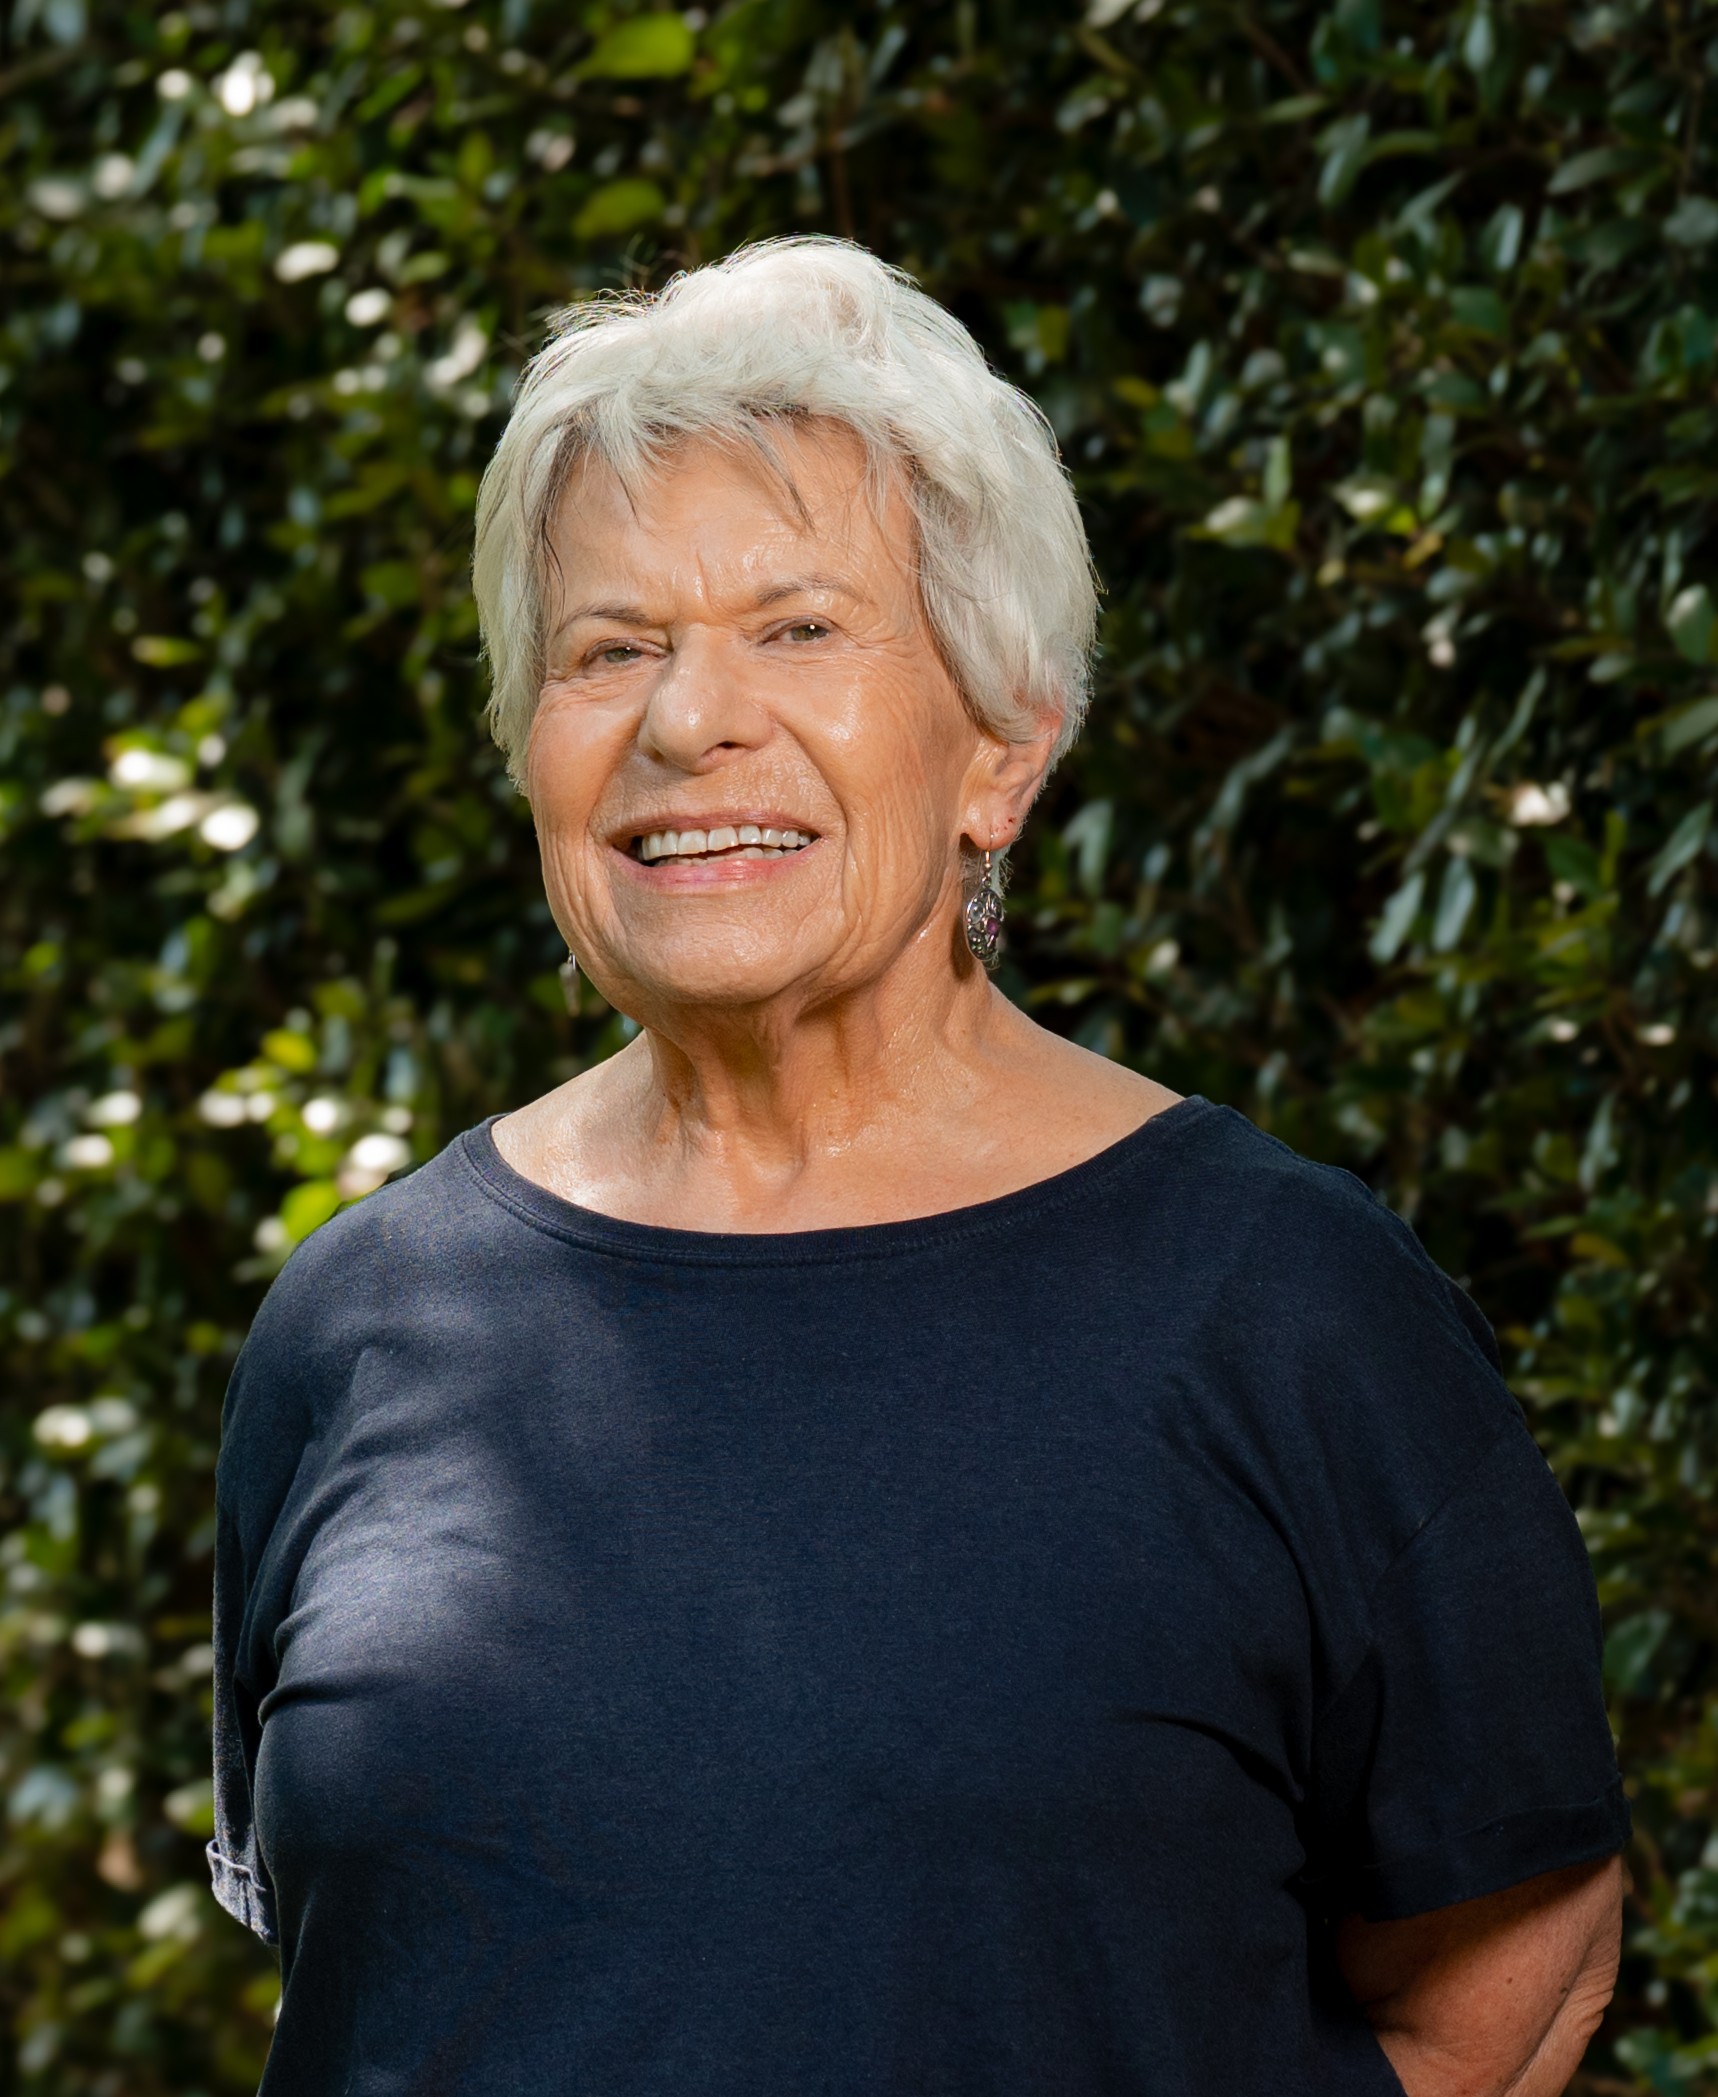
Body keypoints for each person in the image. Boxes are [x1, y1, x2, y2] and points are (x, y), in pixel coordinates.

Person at [209, 237, 1629, 2096]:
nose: (686, 720)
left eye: (797, 629)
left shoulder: (1285, 1306)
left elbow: (1508, 1975)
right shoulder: (356, 1320)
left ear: (1001, 751)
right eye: (608, 647)